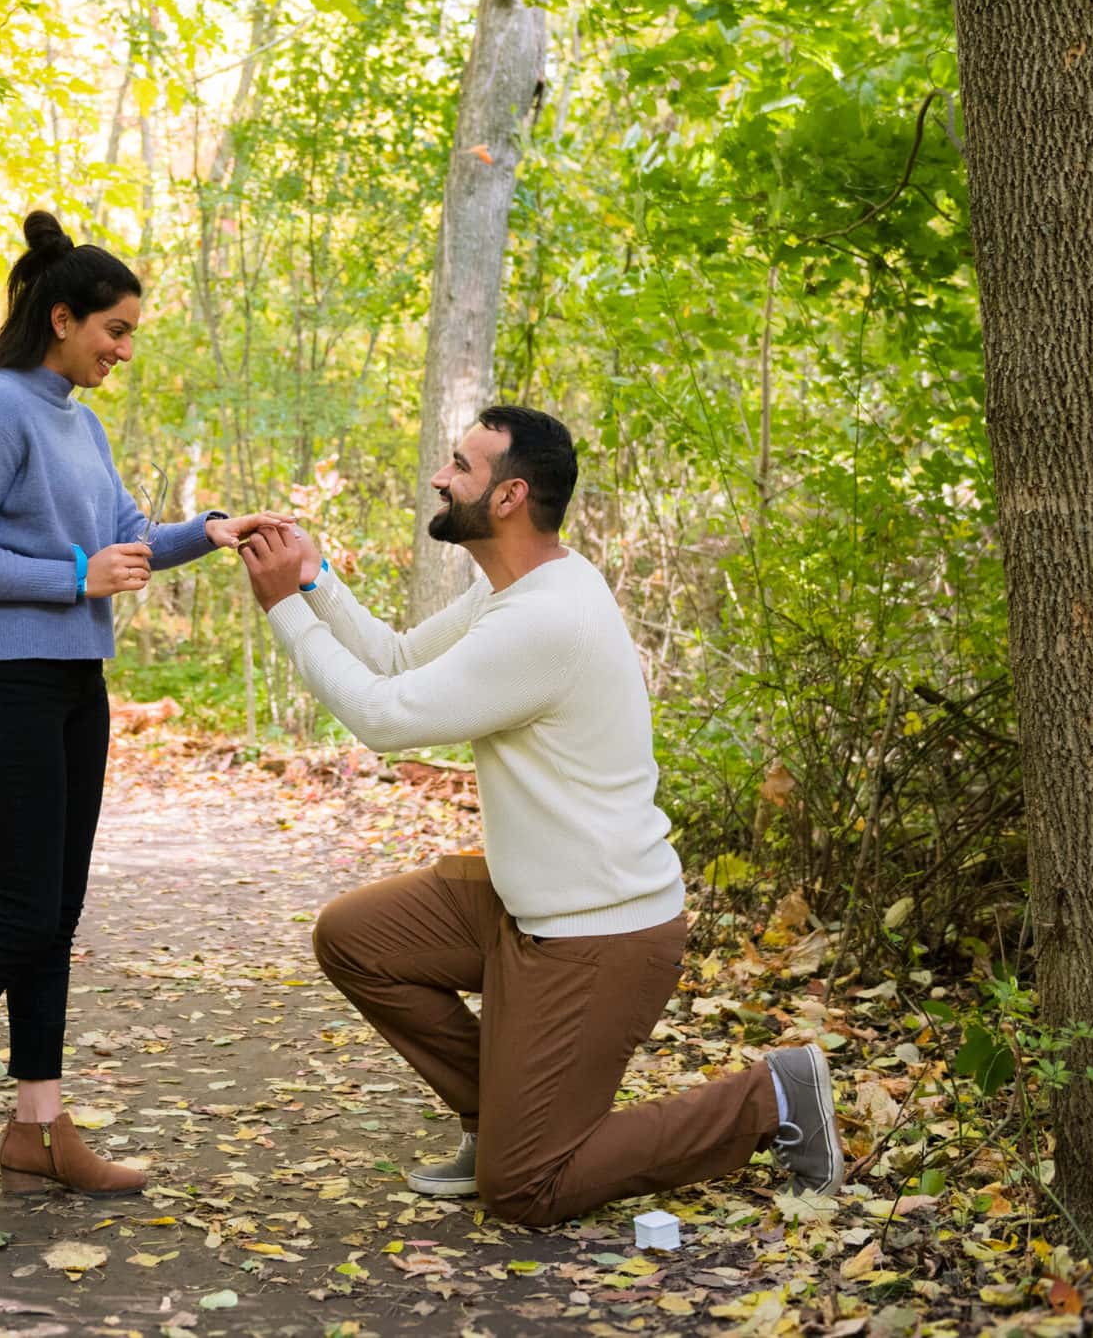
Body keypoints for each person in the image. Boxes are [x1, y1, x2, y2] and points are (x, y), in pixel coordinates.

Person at [234, 406, 841, 1229]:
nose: (442, 477)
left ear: (511, 495)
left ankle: (770, 1098)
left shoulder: (547, 618)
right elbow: (402, 660)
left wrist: (285, 611)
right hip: (531, 906)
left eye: (461, 466)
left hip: (598, 932)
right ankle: (501, 1120)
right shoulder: (523, 589)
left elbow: (385, 717)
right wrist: (313, 580)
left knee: (526, 1188)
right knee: (356, 937)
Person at [0, 211, 288, 1233]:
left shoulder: (78, 420)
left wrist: (212, 532)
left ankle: (38, 1129)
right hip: (6, 683)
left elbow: (125, 537)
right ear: (61, 318)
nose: (124, 350)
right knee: (22, 914)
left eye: (131, 333)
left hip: (76, 682)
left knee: (58, 912)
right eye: (115, 331)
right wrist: (74, 578)